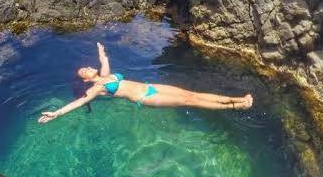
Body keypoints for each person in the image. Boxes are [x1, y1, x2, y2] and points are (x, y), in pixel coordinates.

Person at [38, 42, 253, 123]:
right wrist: (56, 113)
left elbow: (104, 60)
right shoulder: (97, 87)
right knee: (190, 101)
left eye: (85, 66)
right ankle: (237, 106)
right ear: (85, 79)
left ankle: (236, 99)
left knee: (192, 93)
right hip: (146, 97)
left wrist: (100, 50)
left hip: (151, 86)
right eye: (83, 70)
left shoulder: (105, 75)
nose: (86, 67)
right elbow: (79, 102)